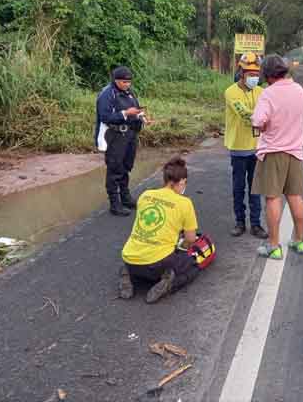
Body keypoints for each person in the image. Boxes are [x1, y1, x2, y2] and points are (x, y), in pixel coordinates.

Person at [119, 157, 207, 303]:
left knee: (136, 263)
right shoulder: (185, 203)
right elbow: (191, 239)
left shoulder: (146, 195)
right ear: (181, 182)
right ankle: (169, 284)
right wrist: (182, 248)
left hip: (130, 258)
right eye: (184, 183)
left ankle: (128, 274)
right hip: (157, 264)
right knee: (193, 264)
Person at [250, 55, 303, 259]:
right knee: (295, 197)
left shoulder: (268, 94)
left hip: (273, 152)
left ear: (267, 74)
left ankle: (274, 246)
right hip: (295, 152)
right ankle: (300, 241)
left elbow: (258, 121)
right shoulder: (299, 90)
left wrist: (265, 124)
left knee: (273, 198)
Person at [224, 53, 268, 239]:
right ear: (241, 72)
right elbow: (245, 114)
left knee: (255, 189)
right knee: (238, 187)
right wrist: (261, 116)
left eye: (256, 73)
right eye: (250, 73)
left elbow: (267, 113)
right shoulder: (231, 92)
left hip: (257, 148)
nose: (254, 77)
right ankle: (240, 222)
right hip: (239, 148)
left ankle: (256, 224)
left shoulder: (261, 91)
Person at [96, 66, 146, 217]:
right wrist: (125, 113)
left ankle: (126, 198)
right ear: (116, 80)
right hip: (115, 135)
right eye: (124, 82)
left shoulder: (129, 93)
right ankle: (114, 204)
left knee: (126, 166)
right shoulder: (107, 94)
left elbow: (135, 109)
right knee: (114, 168)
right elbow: (105, 116)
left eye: (129, 82)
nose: (127, 84)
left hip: (130, 134)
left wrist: (141, 117)